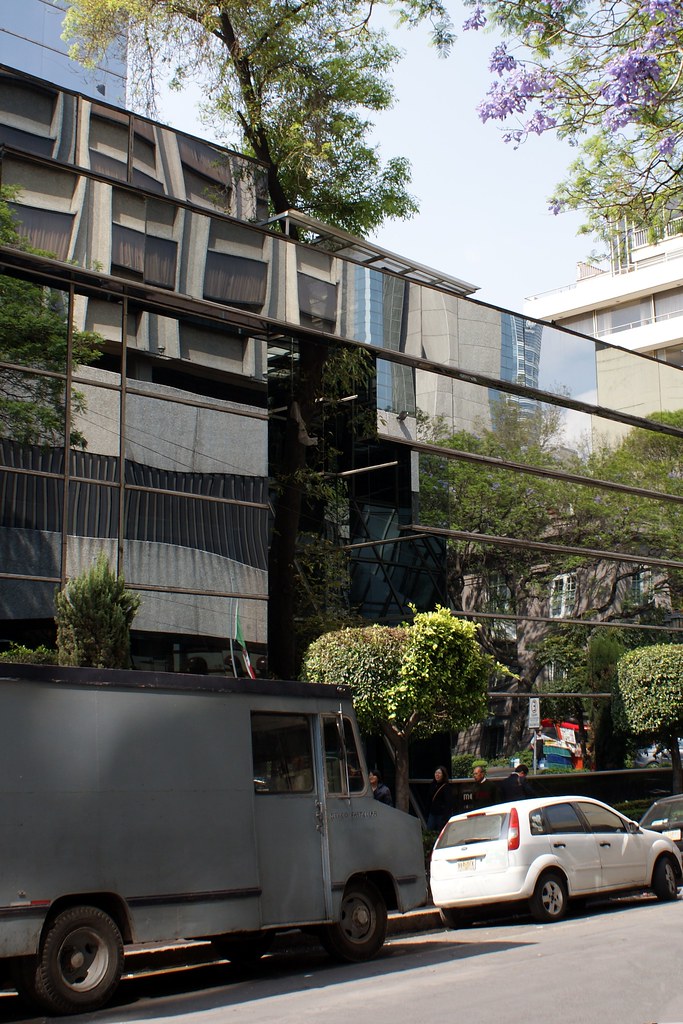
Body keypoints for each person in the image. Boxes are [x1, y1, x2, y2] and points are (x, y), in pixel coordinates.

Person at [426, 765, 452, 832]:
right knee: (429, 831)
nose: (437, 775)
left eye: (439, 773)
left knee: (440, 832)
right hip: (432, 813)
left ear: (443, 775)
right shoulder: (432, 785)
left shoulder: (446, 787)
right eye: (436, 773)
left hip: (441, 815)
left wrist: (445, 817)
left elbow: (448, 802)